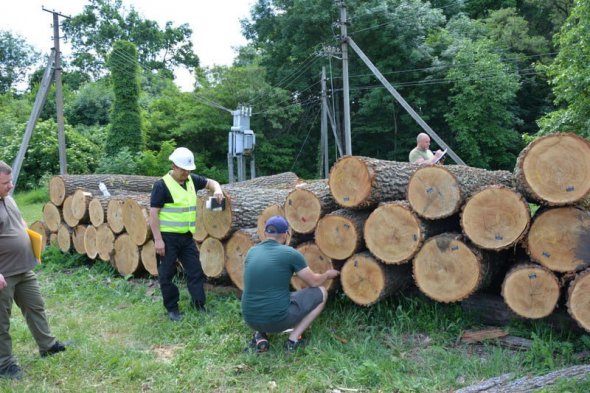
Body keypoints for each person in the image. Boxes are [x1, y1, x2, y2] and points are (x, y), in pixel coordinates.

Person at [0, 161, 66, 380]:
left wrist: (31, 244)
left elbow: (19, 221)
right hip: (3, 275)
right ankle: (4, 364)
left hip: (24, 268)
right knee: (1, 321)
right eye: (5, 183)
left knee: (36, 307)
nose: (10, 186)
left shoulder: (8, 198)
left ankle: (48, 346)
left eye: (10, 181)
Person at [241, 215, 340, 352]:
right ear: (286, 235)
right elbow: (314, 282)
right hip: (277, 320)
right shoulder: (290, 254)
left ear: (265, 233)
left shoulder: (252, 252)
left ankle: (260, 335)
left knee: (269, 295)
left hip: (249, 318)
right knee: (321, 292)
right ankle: (293, 340)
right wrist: (327, 275)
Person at [149, 147, 224, 322]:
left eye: (188, 170)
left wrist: (218, 190)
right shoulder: (161, 186)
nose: (186, 173)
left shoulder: (192, 180)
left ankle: (198, 304)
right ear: (174, 166)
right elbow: (153, 214)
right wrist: (158, 240)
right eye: (183, 169)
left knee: (195, 271)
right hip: (167, 239)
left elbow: (210, 182)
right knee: (166, 274)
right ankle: (172, 308)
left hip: (186, 237)